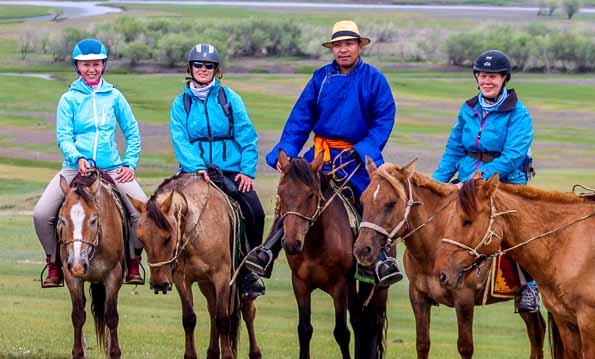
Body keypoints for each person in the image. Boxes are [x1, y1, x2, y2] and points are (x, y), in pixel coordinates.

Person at [253, 20, 400, 288]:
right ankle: (268, 251)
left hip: (356, 157)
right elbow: (300, 118)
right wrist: (285, 153)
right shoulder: (320, 78)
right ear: (332, 49)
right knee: (292, 193)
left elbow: (384, 119)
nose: (343, 50)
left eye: (348, 44)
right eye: (338, 45)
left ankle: (381, 261)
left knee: (371, 199)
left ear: (359, 46)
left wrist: (363, 150)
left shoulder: (374, 79)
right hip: (320, 152)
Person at [432, 49, 540, 313]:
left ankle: (529, 288)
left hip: (506, 182)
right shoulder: (468, 109)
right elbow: (454, 149)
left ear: (504, 78)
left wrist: (476, 180)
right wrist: (436, 184)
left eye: (493, 76)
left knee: (520, 234)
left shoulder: (519, 113)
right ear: (476, 78)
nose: (487, 81)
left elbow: (514, 155)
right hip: (467, 179)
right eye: (482, 75)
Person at [34, 39, 147, 288]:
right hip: (74, 167)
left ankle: (133, 261)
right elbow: (64, 135)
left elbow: (132, 131)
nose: (91, 69)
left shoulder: (115, 97)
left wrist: (129, 163)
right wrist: (78, 158)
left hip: (112, 167)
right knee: (42, 214)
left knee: (143, 213)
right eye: (85, 65)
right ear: (77, 67)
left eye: (96, 64)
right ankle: (54, 264)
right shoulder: (68, 99)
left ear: (103, 65)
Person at [169, 43, 265, 300]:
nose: (203, 69)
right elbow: (180, 139)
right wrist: (196, 167)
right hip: (193, 171)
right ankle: (169, 265)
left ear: (216, 69)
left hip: (230, 169)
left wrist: (247, 171)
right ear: (190, 68)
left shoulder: (230, 98)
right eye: (198, 65)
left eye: (208, 65)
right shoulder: (181, 103)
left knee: (255, 211)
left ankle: (248, 269)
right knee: (162, 210)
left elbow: (247, 135)